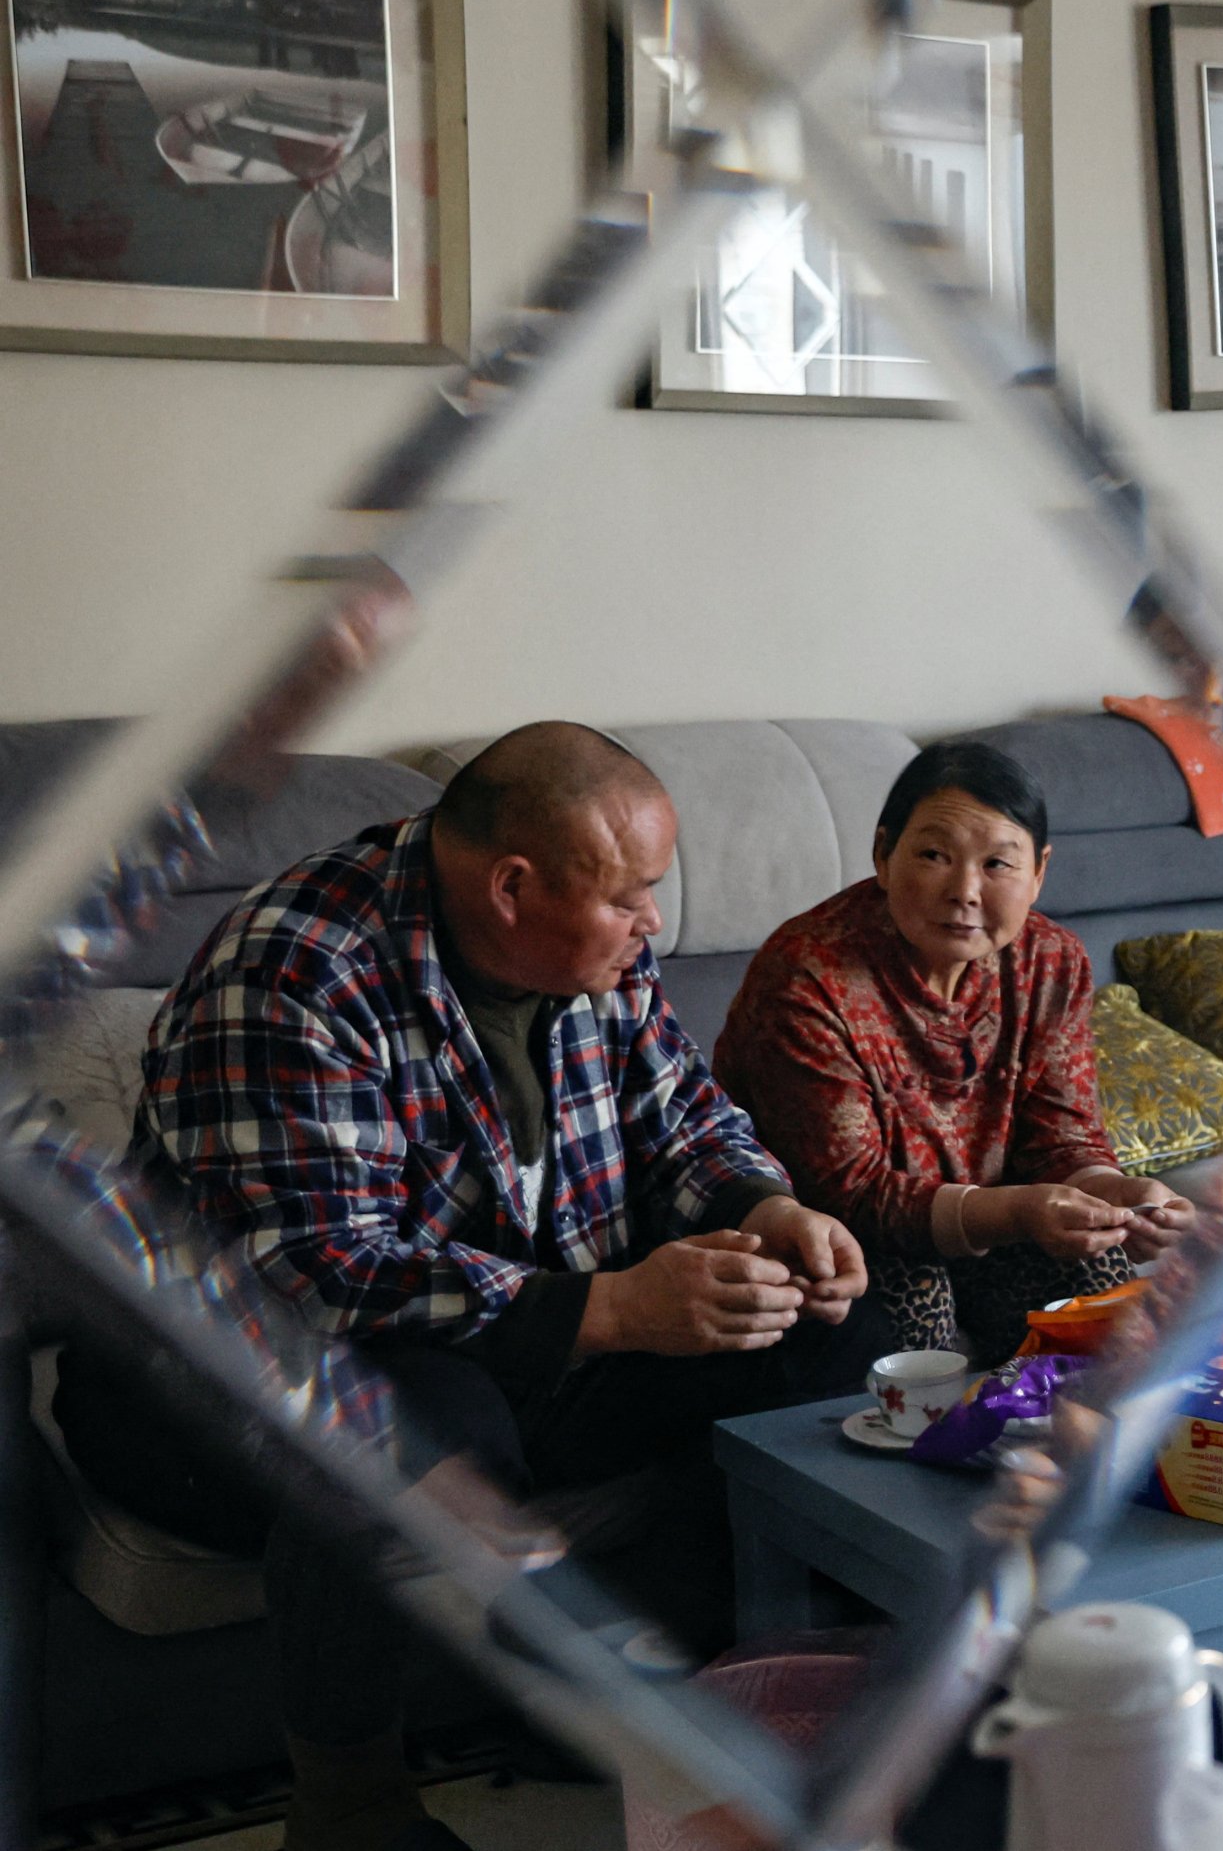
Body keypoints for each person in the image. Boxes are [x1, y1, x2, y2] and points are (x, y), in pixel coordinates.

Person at [56, 722, 878, 1851]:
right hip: (214, 1389)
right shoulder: (297, 973)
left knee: (830, 1335)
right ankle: (348, 1803)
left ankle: (646, 1681)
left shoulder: (600, 956)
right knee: (412, 1423)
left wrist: (767, 1211)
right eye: (632, 894)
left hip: (517, 1339)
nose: (654, 923)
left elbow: (687, 1118)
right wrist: (622, 1309)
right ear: (511, 887)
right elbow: (325, 1272)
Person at [714, 740, 1197, 1360]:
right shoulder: (809, 976)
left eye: (998, 864)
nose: (965, 890)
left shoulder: (1052, 962)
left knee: (1097, 1280)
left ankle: (1068, 1454)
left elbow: (1063, 1136)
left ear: (1039, 873)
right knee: (915, 1300)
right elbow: (850, 1193)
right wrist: (1019, 1213)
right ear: (883, 857)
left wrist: (1116, 1196)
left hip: (992, 1225)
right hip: (837, 1244)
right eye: (935, 855)